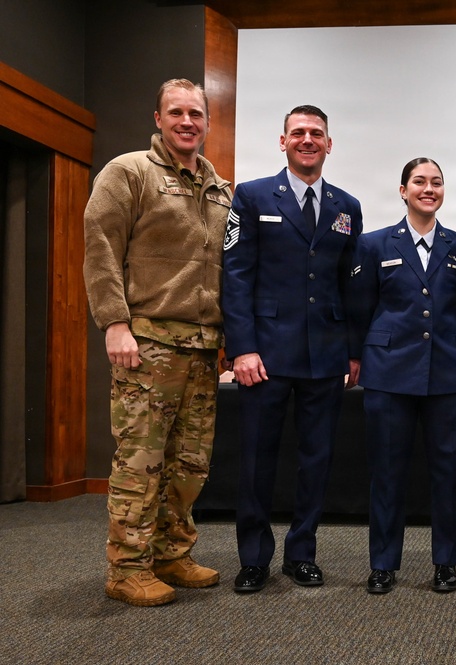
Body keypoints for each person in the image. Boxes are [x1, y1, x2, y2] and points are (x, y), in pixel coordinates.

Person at [83, 78, 230, 606]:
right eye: (176, 112)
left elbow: (229, 265)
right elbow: (101, 246)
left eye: (196, 113)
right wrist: (114, 323)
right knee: (140, 461)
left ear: (207, 122)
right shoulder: (129, 172)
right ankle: (126, 568)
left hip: (202, 347)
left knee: (189, 464)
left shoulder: (221, 189)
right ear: (158, 118)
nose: (187, 122)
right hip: (147, 342)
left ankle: (171, 554)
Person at [222, 105, 363, 593]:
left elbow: (350, 284)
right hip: (265, 355)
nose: (307, 139)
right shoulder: (253, 195)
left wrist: (354, 351)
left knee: (316, 460)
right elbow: (236, 275)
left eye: (316, 133)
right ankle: (254, 558)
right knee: (256, 460)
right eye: (298, 132)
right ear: (283, 141)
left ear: (329, 144)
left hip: (325, 354)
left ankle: (302, 553)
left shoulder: (347, 206)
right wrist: (241, 348)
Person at [348, 158, 456, 594]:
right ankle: (383, 563)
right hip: (389, 372)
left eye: (436, 182)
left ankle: (447, 561)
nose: (429, 189)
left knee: (450, 471)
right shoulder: (373, 245)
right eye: (419, 182)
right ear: (403, 190)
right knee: (387, 472)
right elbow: (361, 306)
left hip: (449, 372)